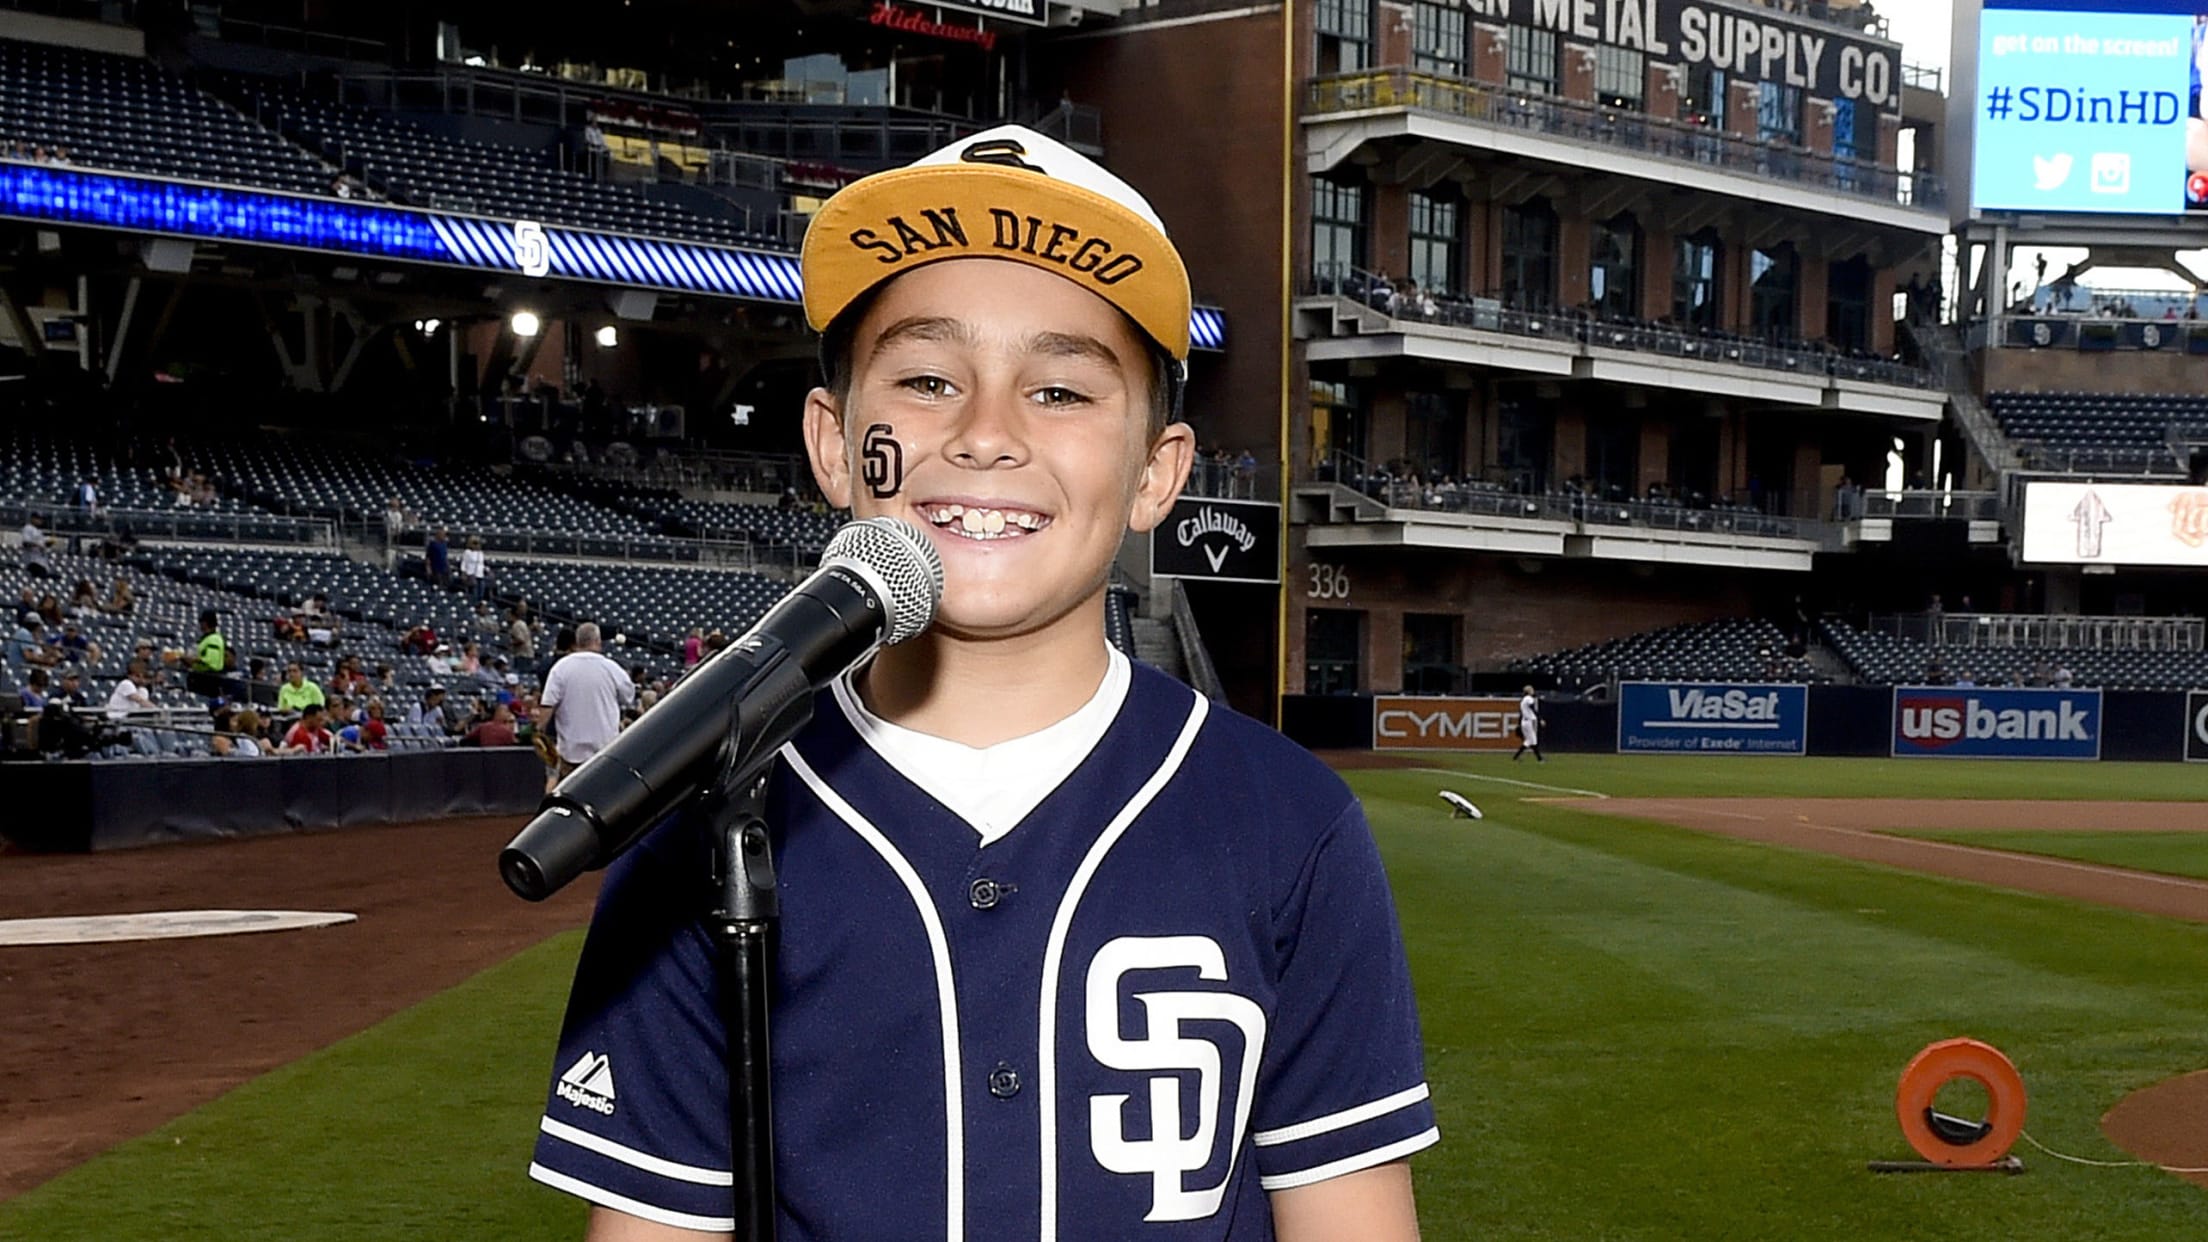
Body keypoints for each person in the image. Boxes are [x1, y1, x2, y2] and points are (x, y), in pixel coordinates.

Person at [527, 127, 1435, 1240]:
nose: (987, 434)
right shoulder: (704, 833)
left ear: (1158, 472)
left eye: (1059, 390)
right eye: (925, 378)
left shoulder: (1290, 824)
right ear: (832, 440)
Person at [535, 620, 634, 778]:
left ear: (577, 642)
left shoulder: (560, 667)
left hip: (571, 750)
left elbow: (548, 704)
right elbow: (628, 698)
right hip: (605, 748)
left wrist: (538, 731)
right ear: (597, 641)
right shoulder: (612, 667)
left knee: (570, 796)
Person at [189, 609, 229, 698]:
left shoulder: (214, 639)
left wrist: (191, 659)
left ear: (205, 623)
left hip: (208, 680)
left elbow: (211, 661)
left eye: (201, 622)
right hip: (201, 678)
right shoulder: (206, 638)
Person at [1513, 683, 1545, 762]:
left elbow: (1521, 713)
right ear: (1529, 691)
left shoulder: (1523, 700)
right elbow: (1533, 708)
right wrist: (1540, 719)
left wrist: (1519, 723)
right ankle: (1540, 759)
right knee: (1532, 740)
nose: (1533, 691)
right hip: (1529, 722)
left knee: (1530, 741)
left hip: (1525, 721)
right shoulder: (1528, 698)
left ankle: (1516, 757)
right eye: (1532, 690)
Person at [459, 535, 488, 601]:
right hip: (471, 575)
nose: (476, 545)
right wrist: (464, 573)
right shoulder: (467, 552)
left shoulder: (481, 553)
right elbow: (464, 563)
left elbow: (482, 563)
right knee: (474, 592)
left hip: (480, 575)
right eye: (474, 543)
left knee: (481, 592)